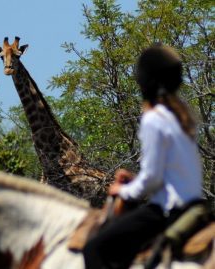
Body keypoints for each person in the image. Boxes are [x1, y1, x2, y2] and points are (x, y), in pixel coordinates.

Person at [83, 44, 203, 269]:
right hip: (195, 206)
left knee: (94, 249)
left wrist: (123, 190)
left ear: (145, 82)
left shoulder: (153, 119)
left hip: (168, 211)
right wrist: (135, 180)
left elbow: (152, 179)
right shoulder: (182, 117)